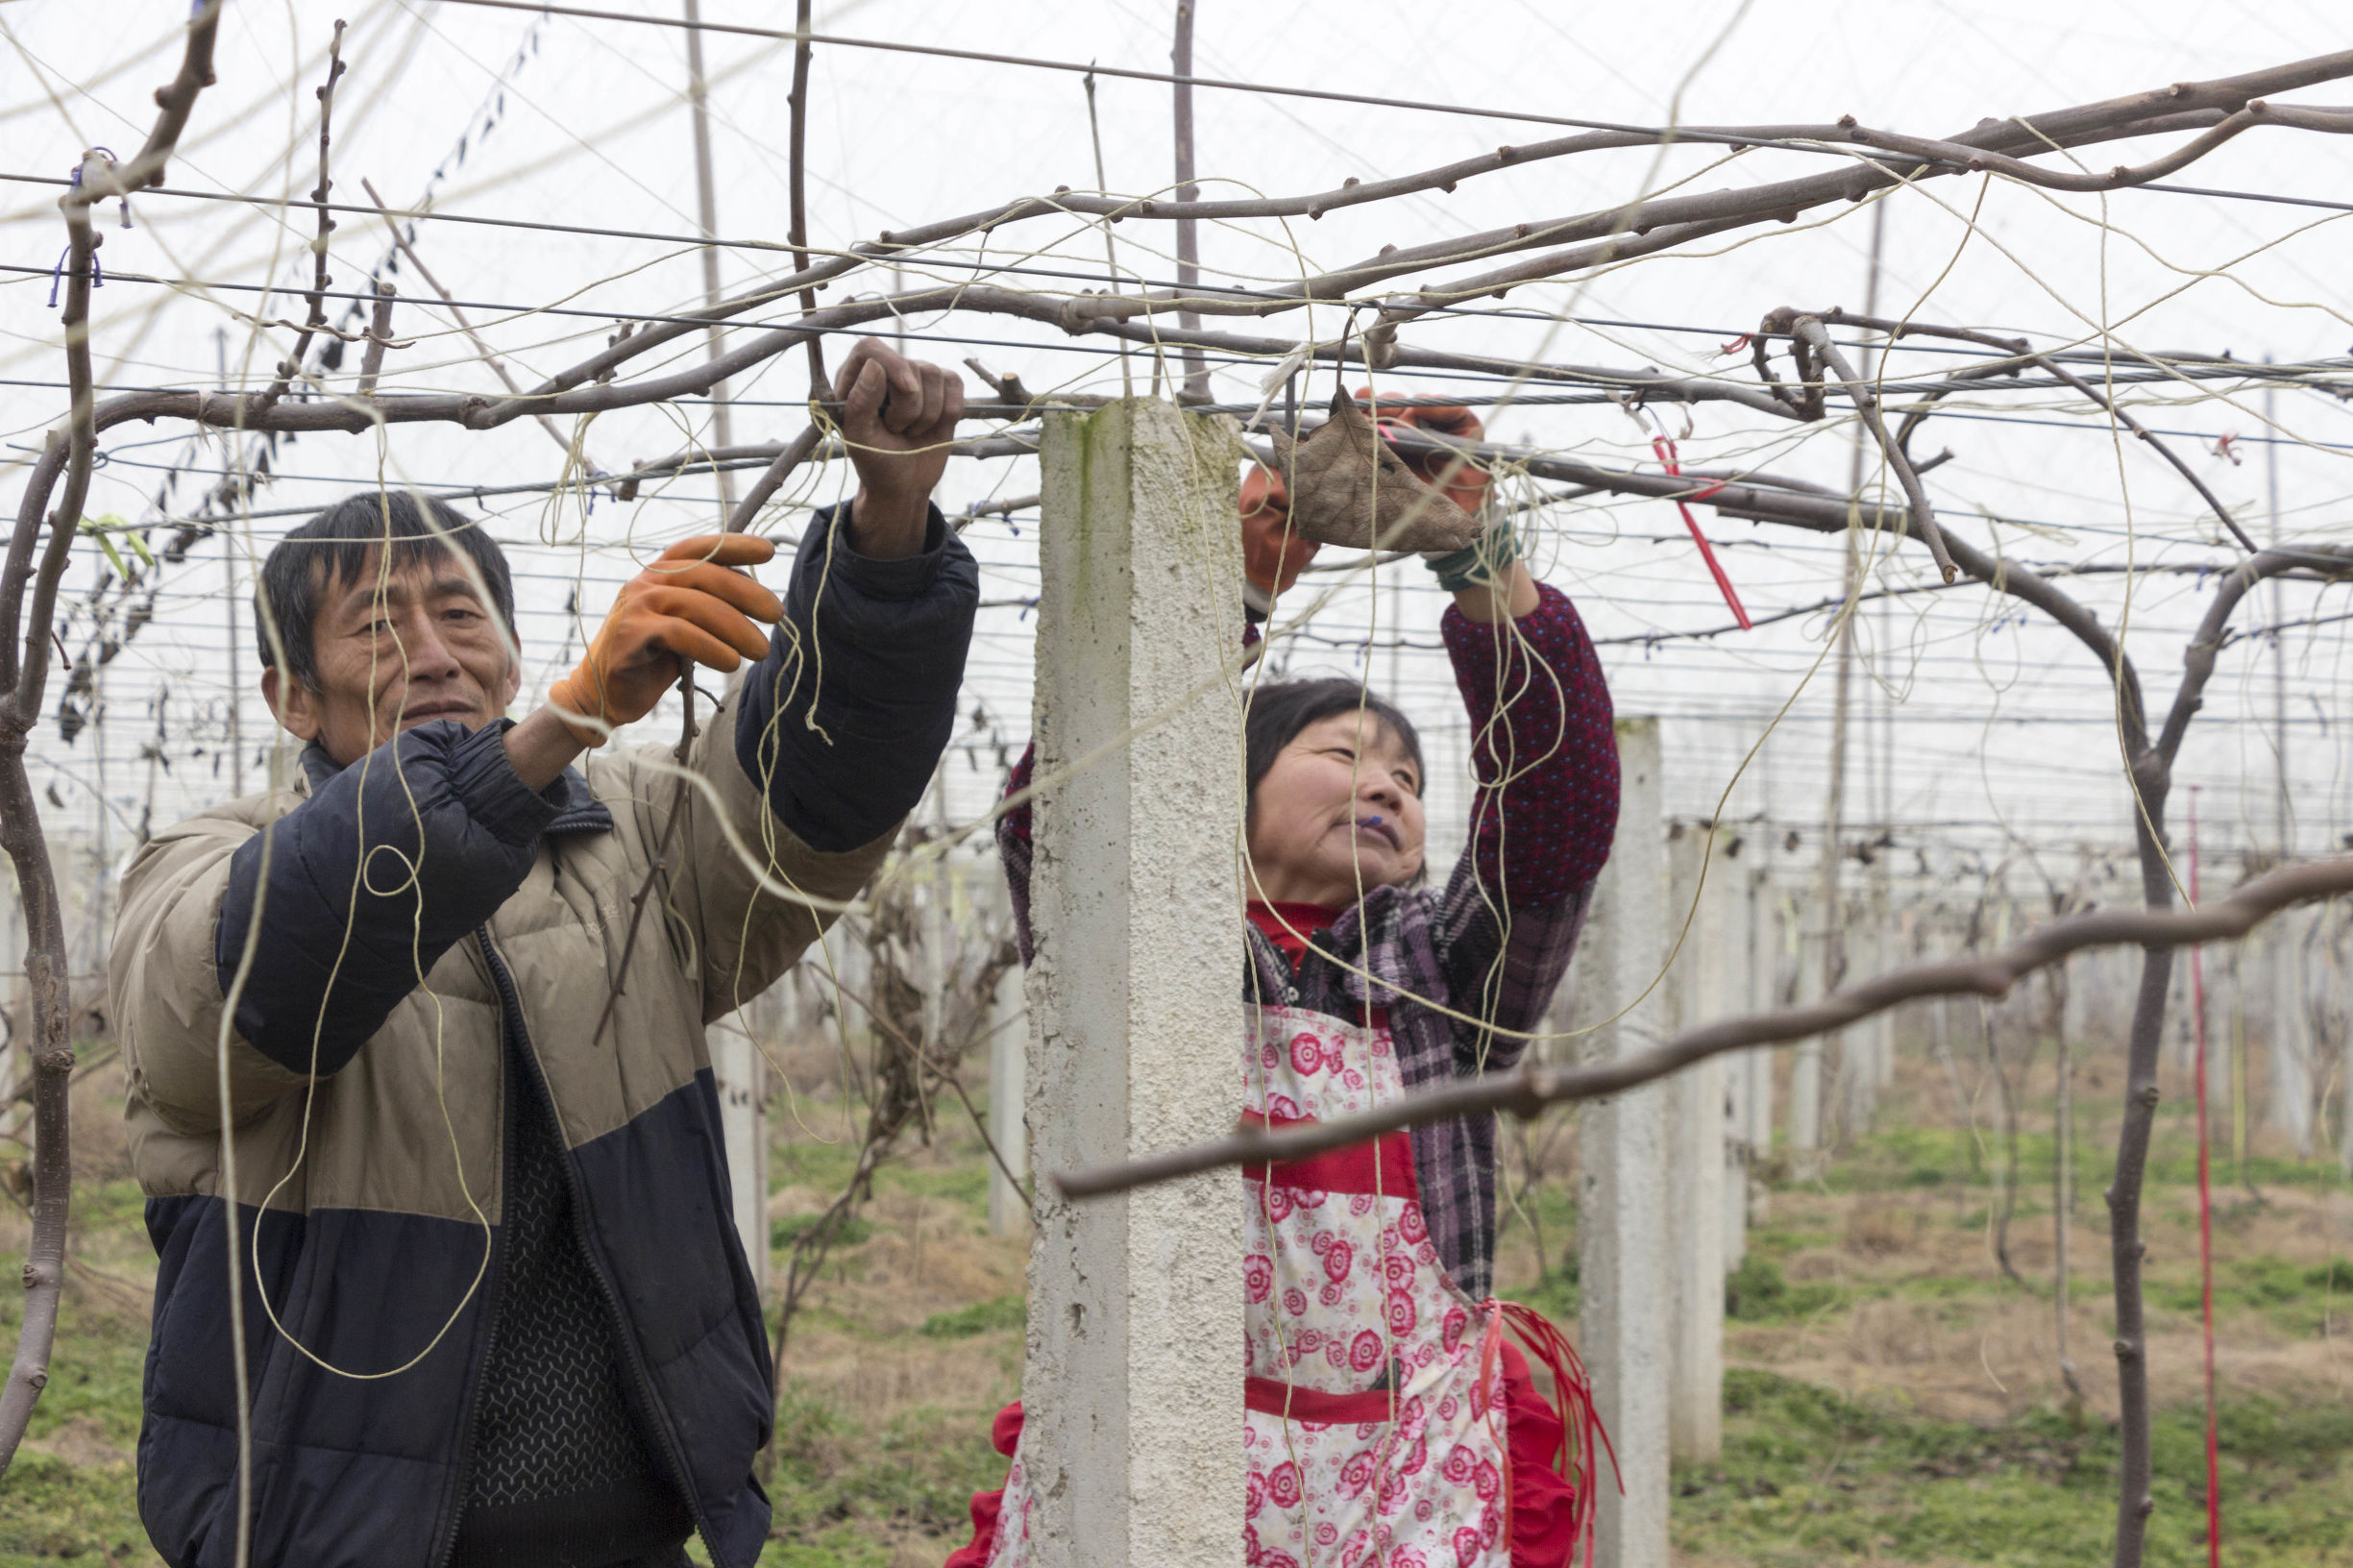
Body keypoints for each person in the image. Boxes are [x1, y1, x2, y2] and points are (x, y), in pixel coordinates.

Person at [110, 339, 977, 1568]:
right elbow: (238, 1001)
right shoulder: (201, 867)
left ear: (510, 652)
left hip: (634, 1530)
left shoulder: (630, 839)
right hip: (329, 1536)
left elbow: (812, 800)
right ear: (293, 699)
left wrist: (890, 533)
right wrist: (558, 727)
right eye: (376, 624)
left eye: (460, 613)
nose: (433, 651)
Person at [949, 393, 1622, 1567]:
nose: (1390, 785)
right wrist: (1237, 589)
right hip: (1167, 1443)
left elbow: (1555, 820)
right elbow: (1052, 820)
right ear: (1227, 782)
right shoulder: (1141, 941)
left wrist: (1484, 570)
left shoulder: (1440, 977)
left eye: (1409, 776)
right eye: (1344, 755)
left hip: (1405, 1472)